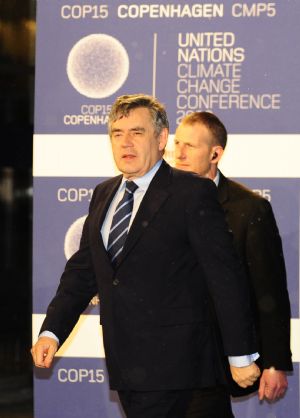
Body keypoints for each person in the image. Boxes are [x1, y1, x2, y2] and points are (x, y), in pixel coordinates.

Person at [31, 95, 261, 418]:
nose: (126, 142)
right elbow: (83, 273)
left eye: (137, 132)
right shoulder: (103, 194)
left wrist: (240, 356)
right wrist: (51, 332)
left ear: (161, 138)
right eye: (117, 133)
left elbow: (224, 276)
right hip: (130, 373)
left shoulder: (191, 192)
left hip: (188, 378)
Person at [174, 111, 293, 418]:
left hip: (216, 359)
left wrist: (274, 362)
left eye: (190, 145)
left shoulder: (249, 209)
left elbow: (269, 291)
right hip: (165, 359)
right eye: (177, 143)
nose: (180, 153)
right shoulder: (158, 203)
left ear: (216, 153)